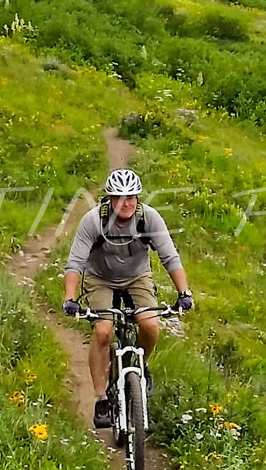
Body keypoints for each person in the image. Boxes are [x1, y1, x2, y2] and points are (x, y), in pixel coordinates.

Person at [62, 168, 193, 428]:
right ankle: (101, 398)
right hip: (100, 278)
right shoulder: (93, 221)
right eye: (120, 198)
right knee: (103, 330)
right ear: (110, 200)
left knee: (150, 325)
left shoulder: (149, 219)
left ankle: (140, 367)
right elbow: (75, 263)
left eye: (132, 197)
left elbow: (170, 257)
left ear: (138, 198)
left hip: (137, 277)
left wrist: (184, 293)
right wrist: (70, 298)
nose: (127, 203)